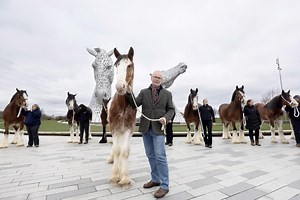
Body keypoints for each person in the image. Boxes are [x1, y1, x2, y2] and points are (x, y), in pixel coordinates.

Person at [127, 70, 175, 198]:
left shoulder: (167, 94)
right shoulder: (143, 92)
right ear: (151, 78)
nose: (157, 79)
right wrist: (129, 92)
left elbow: (171, 109)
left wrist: (166, 118)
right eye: (155, 77)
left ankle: (164, 185)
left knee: (160, 156)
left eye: (159, 77)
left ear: (162, 79)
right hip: (145, 128)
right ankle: (155, 179)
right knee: (150, 155)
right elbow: (134, 103)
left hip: (158, 129)